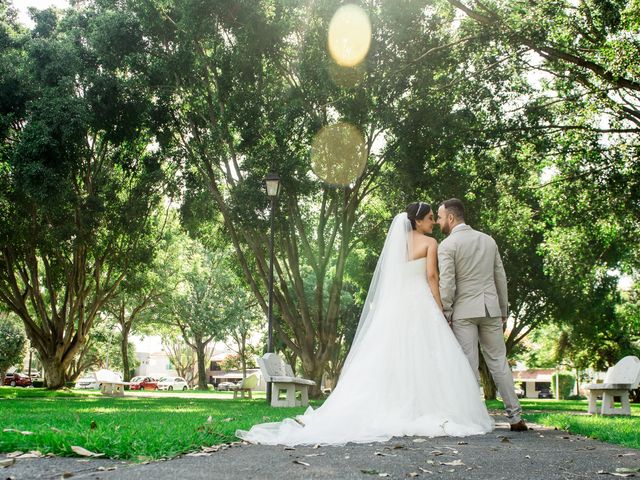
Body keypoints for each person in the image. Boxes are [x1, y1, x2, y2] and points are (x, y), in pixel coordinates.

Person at [236, 203, 494, 446]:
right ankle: (425, 408)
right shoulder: (430, 243)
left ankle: (391, 406)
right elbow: (432, 276)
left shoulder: (397, 246)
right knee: (427, 356)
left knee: (389, 358)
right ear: (417, 222)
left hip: (396, 308)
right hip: (421, 304)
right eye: (429, 219)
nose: (433, 224)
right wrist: (440, 309)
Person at [437, 198, 527, 432]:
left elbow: (448, 284)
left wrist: (446, 311)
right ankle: (515, 417)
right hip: (490, 309)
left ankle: (472, 418)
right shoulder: (488, 240)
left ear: (450, 217)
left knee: (468, 364)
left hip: (463, 311)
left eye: (439, 217)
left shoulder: (447, 246)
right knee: (499, 362)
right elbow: (500, 277)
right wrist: (503, 310)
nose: (438, 222)